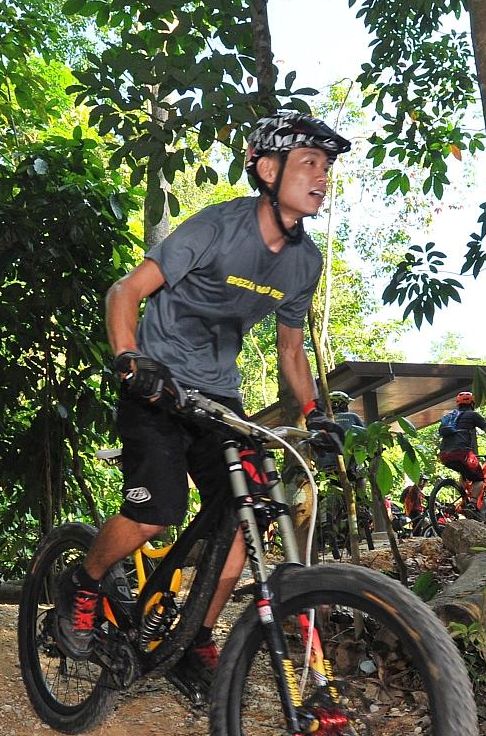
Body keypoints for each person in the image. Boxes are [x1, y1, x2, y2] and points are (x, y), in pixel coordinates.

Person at [52, 108, 351, 693]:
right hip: (156, 385)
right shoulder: (216, 228)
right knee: (155, 513)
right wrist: (129, 359)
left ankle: (195, 638)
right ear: (268, 168)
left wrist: (317, 414)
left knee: (242, 520)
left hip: (217, 397)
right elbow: (126, 290)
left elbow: (291, 351)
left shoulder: (304, 262)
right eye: (310, 162)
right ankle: (81, 581)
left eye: (328, 167)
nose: (323, 177)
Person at [435, 391, 486, 513]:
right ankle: (473, 504)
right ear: (472, 403)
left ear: (458, 404)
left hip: (444, 455)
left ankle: (463, 498)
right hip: (462, 453)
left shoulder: (450, 416)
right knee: (479, 478)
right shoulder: (473, 415)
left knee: (464, 472)